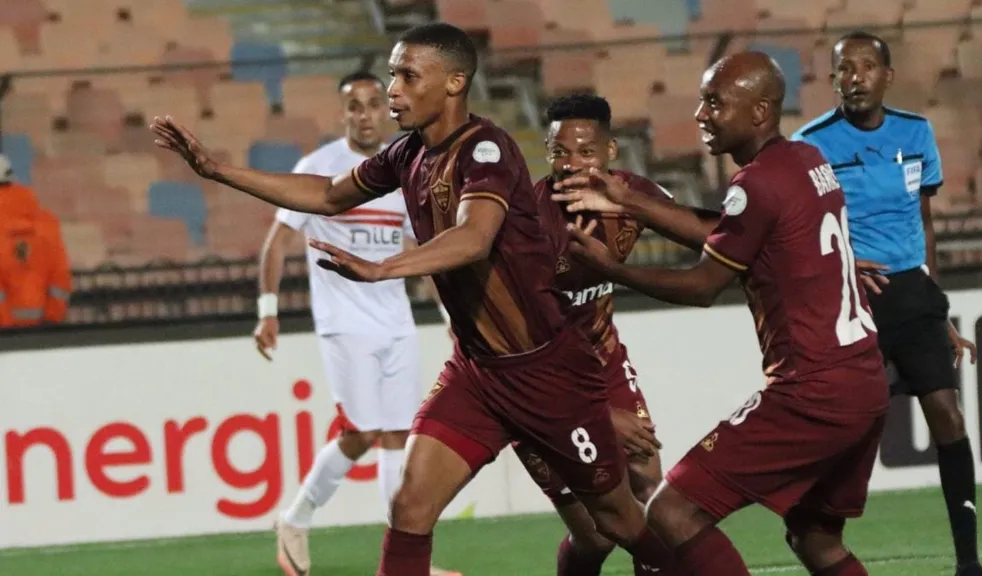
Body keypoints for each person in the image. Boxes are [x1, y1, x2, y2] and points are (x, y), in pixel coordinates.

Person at [151, 22, 681, 576]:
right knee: (409, 506)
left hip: (543, 369)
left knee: (616, 522)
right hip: (478, 373)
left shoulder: (487, 149)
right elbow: (328, 195)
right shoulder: (407, 152)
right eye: (392, 75)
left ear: (454, 83)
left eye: (407, 76)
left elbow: (474, 237)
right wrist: (216, 170)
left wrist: (385, 268)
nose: (393, 90)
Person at [554, 51, 889, 575]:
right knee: (816, 538)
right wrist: (630, 202)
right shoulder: (807, 160)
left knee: (671, 510)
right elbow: (737, 232)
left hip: (812, 392)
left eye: (715, 102)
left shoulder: (757, 183)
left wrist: (612, 269)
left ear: (759, 112)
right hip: (865, 382)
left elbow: (703, 285)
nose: (701, 114)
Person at [791, 31, 982, 576]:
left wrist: (939, 310)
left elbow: (924, 223)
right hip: (855, 297)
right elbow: (802, 233)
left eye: (866, 67)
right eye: (844, 69)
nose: (855, 78)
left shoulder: (916, 132)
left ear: (887, 75)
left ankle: (968, 562)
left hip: (914, 297)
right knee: (851, 429)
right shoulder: (811, 145)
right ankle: (812, 532)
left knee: (948, 418)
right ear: (832, 79)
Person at [252, 72, 455, 576]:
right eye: (354, 106)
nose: (365, 114)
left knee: (398, 435)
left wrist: (449, 314)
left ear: (386, 110)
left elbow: (418, 251)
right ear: (342, 113)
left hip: (396, 322)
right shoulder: (319, 168)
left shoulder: (403, 168)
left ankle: (404, 563)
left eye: (373, 104)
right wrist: (267, 311)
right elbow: (277, 242)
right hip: (343, 323)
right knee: (362, 432)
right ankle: (296, 519)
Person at [513, 93, 674, 576]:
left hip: (603, 361)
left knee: (653, 493)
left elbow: (712, 232)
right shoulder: (524, 221)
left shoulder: (631, 194)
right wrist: (599, 414)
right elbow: (520, 343)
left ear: (611, 151)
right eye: (560, 152)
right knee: (597, 535)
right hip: (532, 381)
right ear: (546, 152)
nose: (572, 164)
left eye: (586, 151)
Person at [0, 154, 71, 329]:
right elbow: (60, 277)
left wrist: (6, 326)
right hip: (42, 332)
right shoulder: (46, 222)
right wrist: (52, 319)